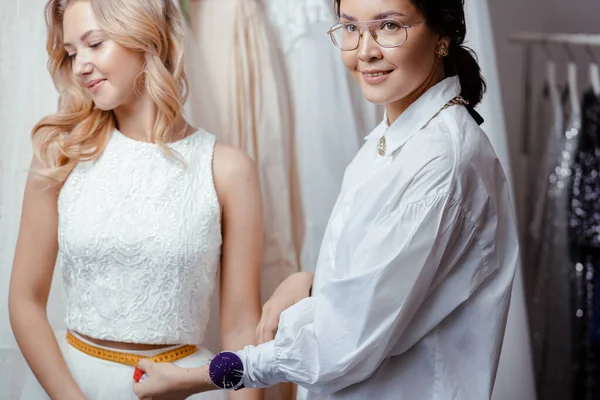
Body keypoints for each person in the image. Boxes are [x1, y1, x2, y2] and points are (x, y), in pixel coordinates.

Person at [133, 0, 519, 399]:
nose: (364, 50)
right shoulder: (397, 137)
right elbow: (392, 284)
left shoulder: (439, 161)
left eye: (389, 26)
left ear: (442, 37)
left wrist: (196, 379)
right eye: (350, 28)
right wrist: (311, 285)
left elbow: (338, 347)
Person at [8, 1, 263, 399]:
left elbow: (242, 327)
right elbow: (24, 300)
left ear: (144, 36)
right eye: (72, 52)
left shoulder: (228, 170)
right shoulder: (60, 156)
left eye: (95, 44)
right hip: (70, 383)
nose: (80, 66)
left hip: (183, 387)